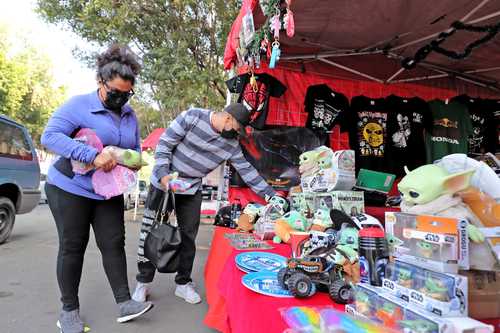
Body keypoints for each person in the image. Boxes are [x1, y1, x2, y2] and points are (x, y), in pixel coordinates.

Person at [41, 44, 153, 333]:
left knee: (113, 243)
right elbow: (49, 137)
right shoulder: (78, 105)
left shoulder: (129, 116)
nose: (120, 99)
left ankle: (125, 302)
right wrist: (91, 156)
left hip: (107, 190)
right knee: (72, 246)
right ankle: (69, 311)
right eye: (114, 92)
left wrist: (134, 160)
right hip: (69, 188)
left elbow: (134, 148)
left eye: (126, 94)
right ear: (100, 83)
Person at [133, 103, 278, 304]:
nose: (236, 134)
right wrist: (164, 175)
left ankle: (183, 283)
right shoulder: (192, 117)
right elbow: (165, 144)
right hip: (164, 184)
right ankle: (143, 282)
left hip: (191, 189)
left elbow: (247, 171)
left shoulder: (232, 145)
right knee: (151, 232)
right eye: (236, 129)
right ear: (228, 119)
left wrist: (271, 195)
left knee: (188, 237)